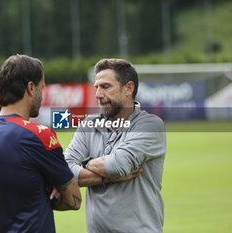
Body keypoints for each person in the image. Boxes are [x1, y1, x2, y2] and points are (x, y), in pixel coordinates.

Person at [0, 54, 81, 233]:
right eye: (42, 88)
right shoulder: (39, 135)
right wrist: (50, 188)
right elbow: (74, 200)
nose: (42, 96)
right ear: (31, 88)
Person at [65, 58, 166, 233]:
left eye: (105, 87)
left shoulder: (150, 125)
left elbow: (118, 165)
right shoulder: (88, 124)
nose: (97, 94)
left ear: (128, 88)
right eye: (96, 87)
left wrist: (85, 163)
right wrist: (104, 175)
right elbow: (64, 171)